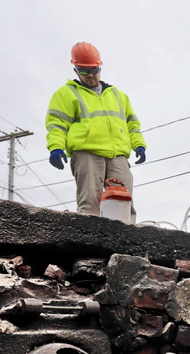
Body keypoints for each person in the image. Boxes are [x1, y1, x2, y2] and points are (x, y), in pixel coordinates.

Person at [45, 42, 146, 221]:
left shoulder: (118, 95)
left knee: (123, 201)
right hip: (87, 153)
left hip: (117, 155)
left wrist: (139, 144)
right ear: (76, 70)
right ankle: (90, 246)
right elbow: (57, 124)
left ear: (100, 67)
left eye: (93, 70)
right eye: (84, 71)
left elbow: (132, 124)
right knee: (90, 203)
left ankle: (126, 243)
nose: (90, 75)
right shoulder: (67, 94)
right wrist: (56, 147)